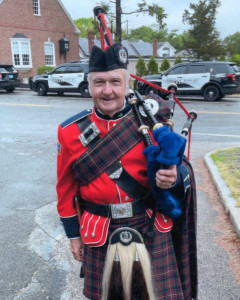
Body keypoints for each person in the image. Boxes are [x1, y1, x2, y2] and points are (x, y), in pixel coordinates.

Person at [56, 43, 197, 300]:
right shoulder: (69, 132)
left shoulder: (153, 123)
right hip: (99, 230)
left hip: (149, 224)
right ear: (89, 85)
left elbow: (181, 168)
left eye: (115, 82)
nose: (107, 90)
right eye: (99, 82)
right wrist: (74, 236)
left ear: (127, 83)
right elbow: (65, 189)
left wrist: (174, 177)